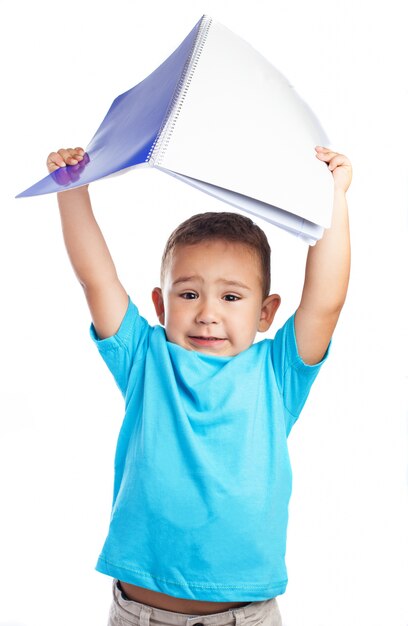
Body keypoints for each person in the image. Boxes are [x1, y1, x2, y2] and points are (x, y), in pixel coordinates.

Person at [46, 145, 352, 626]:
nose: (208, 312)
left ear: (266, 313)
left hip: (245, 616)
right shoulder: (145, 359)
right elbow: (96, 280)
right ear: (161, 304)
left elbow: (325, 302)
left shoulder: (276, 373)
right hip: (139, 614)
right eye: (188, 293)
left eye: (231, 296)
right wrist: (72, 190)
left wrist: (331, 198)